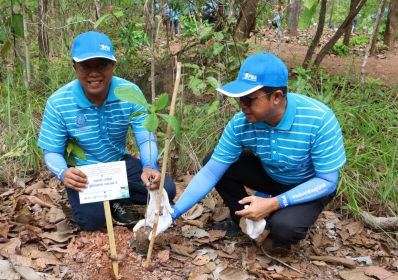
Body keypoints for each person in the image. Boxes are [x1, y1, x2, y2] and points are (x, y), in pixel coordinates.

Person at [140, 52, 346, 255]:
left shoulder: (319, 119)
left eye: (249, 99)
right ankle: (242, 216)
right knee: (213, 159)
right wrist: (172, 214)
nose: (242, 106)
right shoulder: (242, 123)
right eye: (240, 99)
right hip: (271, 175)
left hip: (307, 184)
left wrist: (275, 203)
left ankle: (275, 215)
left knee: (284, 229)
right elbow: (211, 172)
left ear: (276, 97)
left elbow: (327, 181)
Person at [38, 31, 176, 231]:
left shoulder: (130, 94)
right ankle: (110, 203)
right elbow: (51, 151)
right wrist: (63, 172)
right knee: (91, 221)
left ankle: (113, 198)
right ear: (75, 67)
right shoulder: (59, 102)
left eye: (101, 65)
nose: (94, 73)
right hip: (84, 172)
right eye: (85, 66)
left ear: (113, 66)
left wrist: (149, 166)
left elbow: (145, 139)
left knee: (166, 188)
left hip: (117, 164)